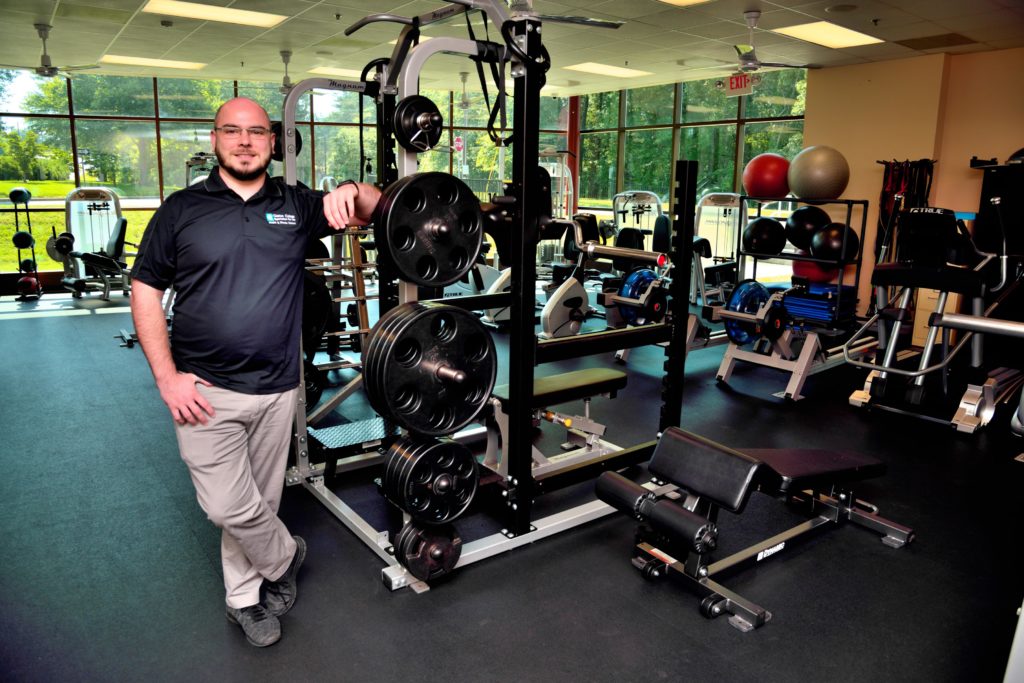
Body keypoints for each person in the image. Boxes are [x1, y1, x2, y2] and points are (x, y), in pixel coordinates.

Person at [130, 97, 381, 647]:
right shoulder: (181, 209)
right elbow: (145, 288)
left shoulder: (295, 205)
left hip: (277, 388)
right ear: (215, 139)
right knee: (226, 505)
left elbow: (375, 208)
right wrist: (166, 377)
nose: (245, 141)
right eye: (232, 131)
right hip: (203, 389)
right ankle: (286, 555)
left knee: (258, 506)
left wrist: (349, 190)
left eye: (257, 132)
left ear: (273, 143)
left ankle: (242, 600)